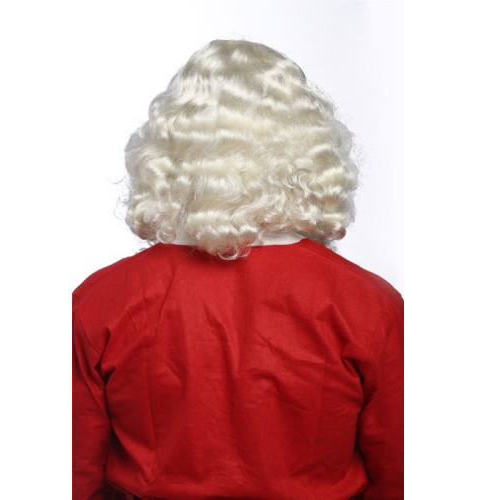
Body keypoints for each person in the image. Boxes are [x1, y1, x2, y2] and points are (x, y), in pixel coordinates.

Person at [72, 39, 403, 500]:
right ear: (308, 150)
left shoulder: (101, 299)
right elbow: (400, 474)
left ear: (170, 150)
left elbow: (73, 473)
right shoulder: (369, 304)